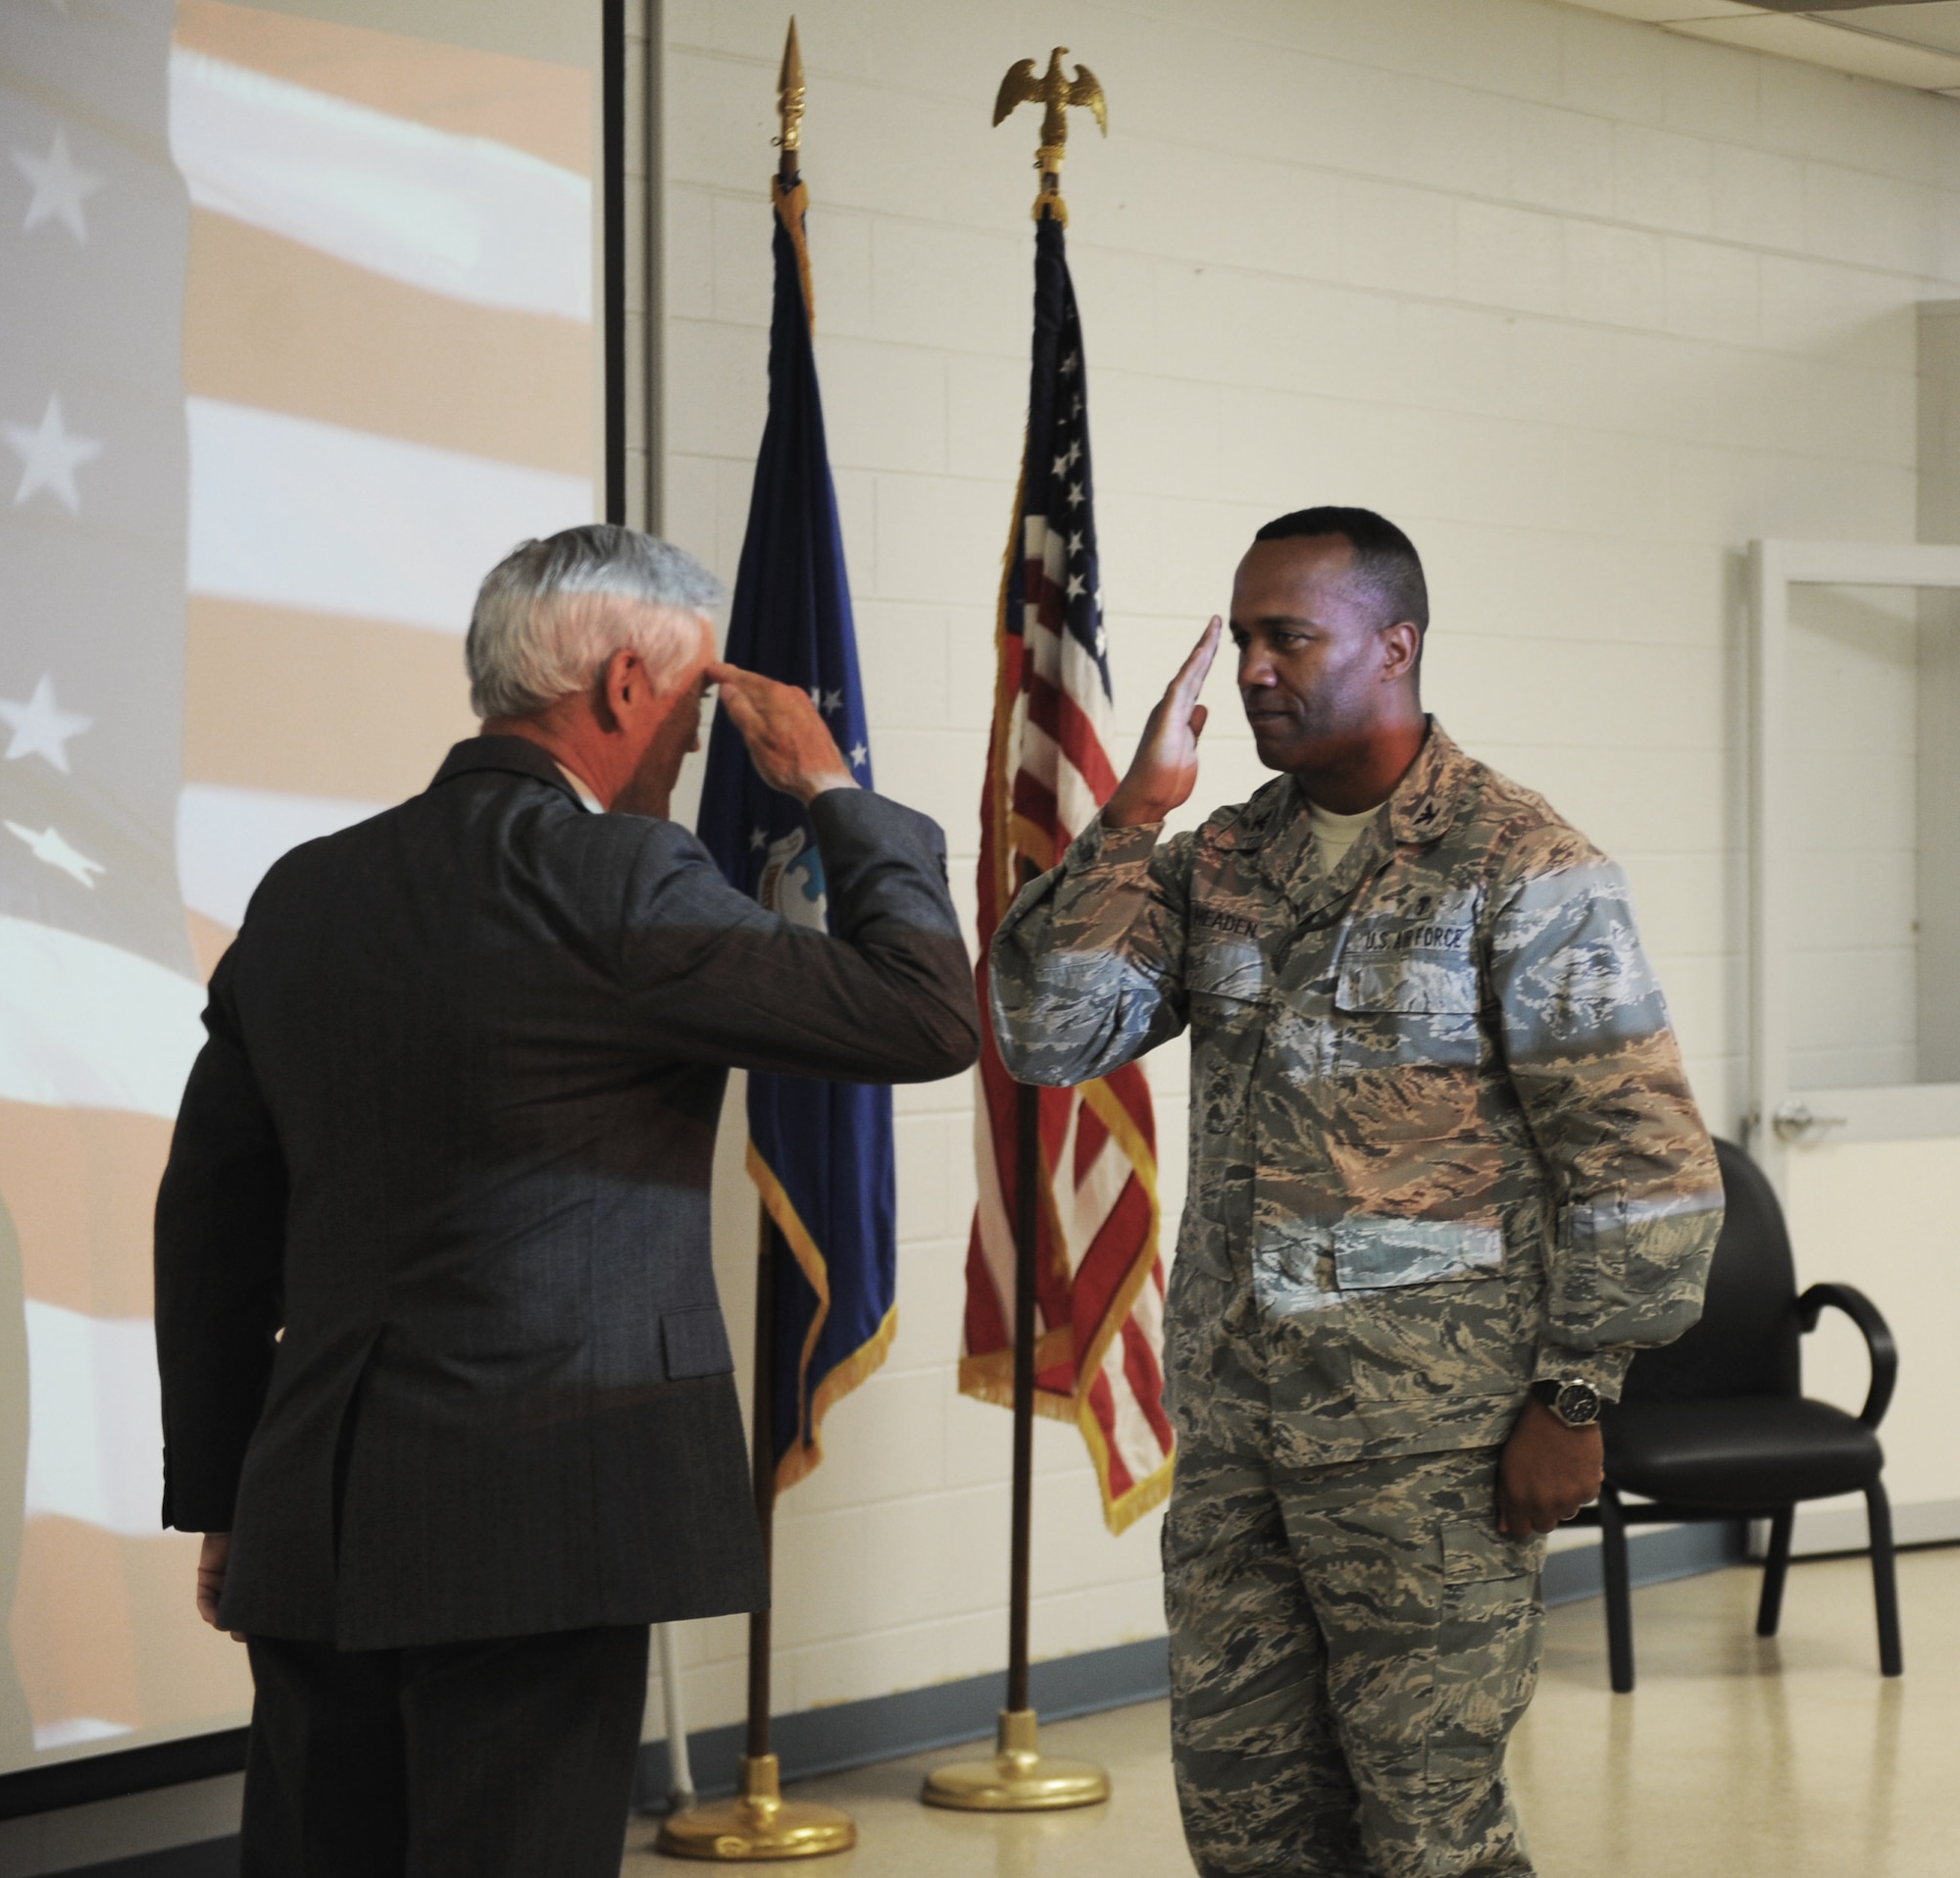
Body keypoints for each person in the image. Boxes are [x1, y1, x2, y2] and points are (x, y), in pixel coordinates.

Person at [154, 525, 979, 1878]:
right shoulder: (618, 878)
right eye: (698, 707)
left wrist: (229, 1490)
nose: (696, 747)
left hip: (318, 1508)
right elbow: (927, 1012)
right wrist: (833, 787)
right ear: (621, 689)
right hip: (540, 1514)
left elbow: (211, 1224)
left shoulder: (306, 893)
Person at [990, 507, 1722, 1877]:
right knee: (1250, 1828)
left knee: (1429, 1835)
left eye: (1291, 637)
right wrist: (1137, 809)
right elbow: (1052, 1031)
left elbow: (1641, 1164)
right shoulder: (1219, 862)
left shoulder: (1522, 865)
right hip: (1240, 1444)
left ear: (1396, 646)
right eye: (1245, 637)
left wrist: (1575, 1402)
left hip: (1428, 1454)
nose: (1256, 668)